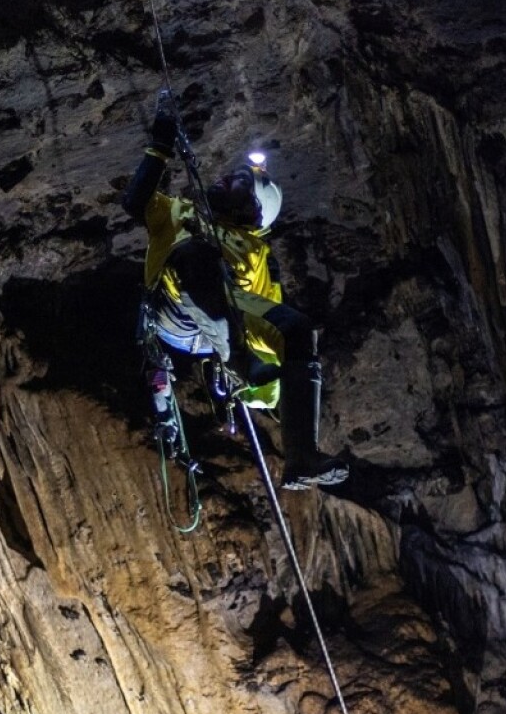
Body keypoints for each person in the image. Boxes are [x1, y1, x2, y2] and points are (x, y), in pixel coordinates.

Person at [121, 102, 348, 490]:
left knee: (300, 330)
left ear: (254, 213)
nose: (226, 180)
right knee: (199, 255)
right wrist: (161, 143)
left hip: (226, 309)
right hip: (173, 305)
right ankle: (234, 354)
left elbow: (267, 315)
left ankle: (301, 456)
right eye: (232, 176)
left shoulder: (256, 253)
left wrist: (268, 379)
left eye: (239, 183)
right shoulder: (181, 212)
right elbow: (135, 201)